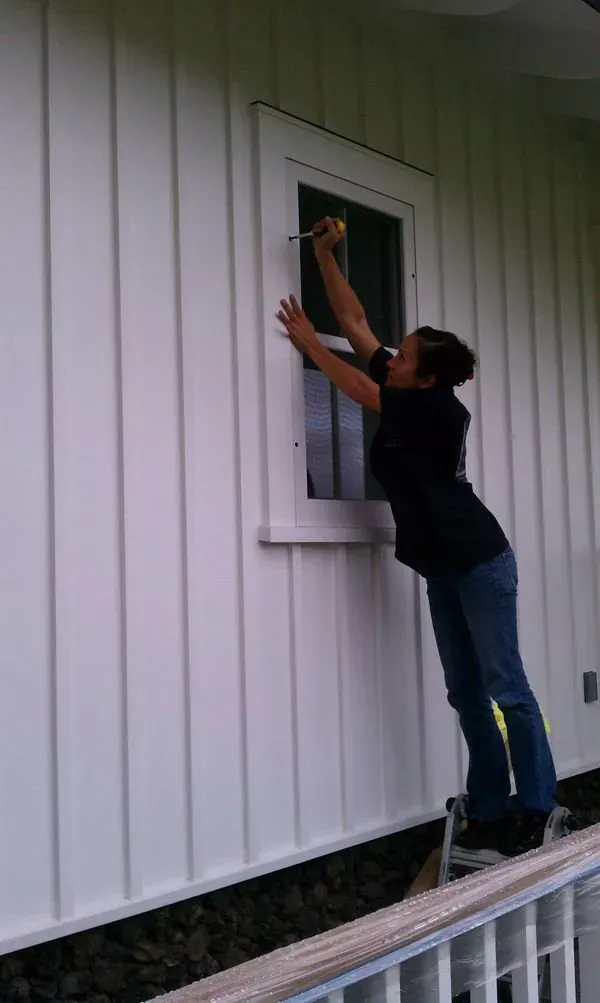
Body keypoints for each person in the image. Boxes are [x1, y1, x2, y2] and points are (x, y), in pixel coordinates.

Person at [277, 217, 558, 857]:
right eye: (399, 352)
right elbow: (356, 326)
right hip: (440, 566)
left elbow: (354, 383)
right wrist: (325, 257)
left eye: (403, 357)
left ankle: (536, 808)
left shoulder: (433, 409)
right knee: (465, 692)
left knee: (505, 687)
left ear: (425, 378)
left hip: (481, 562)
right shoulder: (414, 382)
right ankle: (489, 807)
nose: (391, 356)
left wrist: (305, 345)